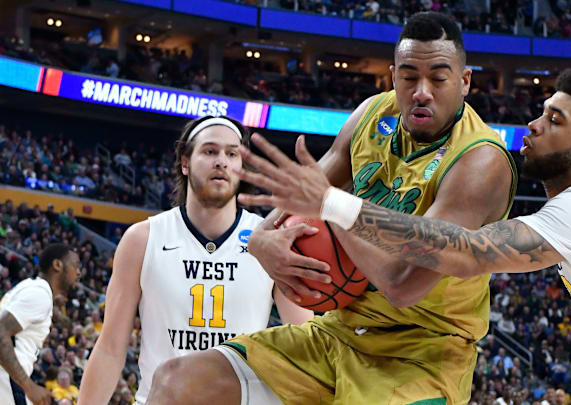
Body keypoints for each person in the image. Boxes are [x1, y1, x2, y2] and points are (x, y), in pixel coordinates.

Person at [235, 65, 571, 405]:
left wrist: (331, 202)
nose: (534, 124)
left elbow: (462, 251)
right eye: (542, 111)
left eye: (555, 120)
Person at [147, 11, 517, 405]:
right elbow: (305, 191)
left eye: (438, 79)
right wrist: (259, 241)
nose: (421, 91)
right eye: (409, 77)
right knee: (176, 383)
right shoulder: (373, 114)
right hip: (337, 334)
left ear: (464, 81)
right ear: (393, 76)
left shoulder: (479, 163)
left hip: (420, 356)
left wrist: (333, 208)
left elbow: (402, 284)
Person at [77, 116, 313, 405]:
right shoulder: (142, 239)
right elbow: (111, 348)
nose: (222, 162)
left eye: (232, 153)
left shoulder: (271, 240)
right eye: (210, 151)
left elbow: (305, 344)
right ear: (185, 163)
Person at [0, 243, 80, 405]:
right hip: (7, 379)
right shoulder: (40, 294)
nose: (78, 272)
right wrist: (28, 386)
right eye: (75, 265)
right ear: (57, 265)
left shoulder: (32, 287)